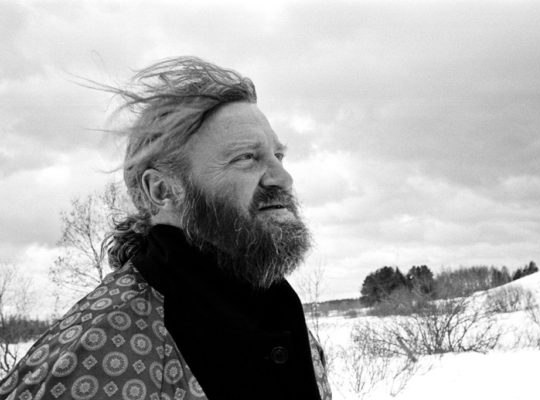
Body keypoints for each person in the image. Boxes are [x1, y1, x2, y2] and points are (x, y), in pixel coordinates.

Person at [0, 57, 331, 400]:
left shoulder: (282, 315)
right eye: (246, 157)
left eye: (279, 156)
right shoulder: (91, 358)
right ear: (162, 190)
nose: (283, 178)